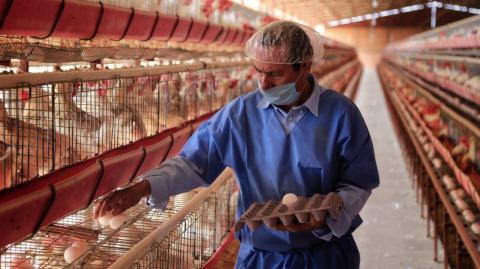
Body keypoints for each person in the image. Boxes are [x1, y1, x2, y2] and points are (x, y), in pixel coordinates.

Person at [95, 21, 380, 269]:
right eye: (259, 72)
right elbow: (194, 163)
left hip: (324, 257)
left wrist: (326, 218)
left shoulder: (341, 114)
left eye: (276, 75)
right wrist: (144, 187)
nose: (264, 84)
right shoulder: (240, 113)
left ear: (304, 67)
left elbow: (358, 184)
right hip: (261, 258)